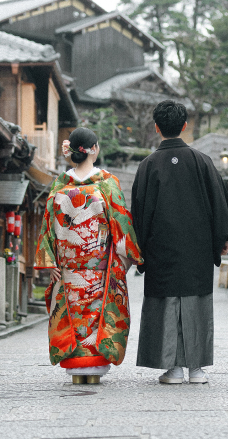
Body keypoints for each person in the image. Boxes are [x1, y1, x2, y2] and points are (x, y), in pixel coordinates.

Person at [131, 100, 228, 384]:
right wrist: (223, 240)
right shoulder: (202, 161)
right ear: (184, 126)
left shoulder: (148, 166)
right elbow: (219, 203)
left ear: (157, 127)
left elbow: (140, 214)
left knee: (166, 304)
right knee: (196, 303)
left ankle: (173, 369)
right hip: (198, 249)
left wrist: (139, 252)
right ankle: (196, 369)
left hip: (161, 251)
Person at [34, 127, 142, 384]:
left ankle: (76, 372)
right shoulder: (107, 183)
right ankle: (93, 373)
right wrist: (124, 260)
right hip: (100, 269)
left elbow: (47, 226)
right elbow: (121, 224)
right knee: (96, 317)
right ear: (94, 149)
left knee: (70, 314)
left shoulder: (59, 184)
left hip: (67, 268)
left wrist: (50, 262)